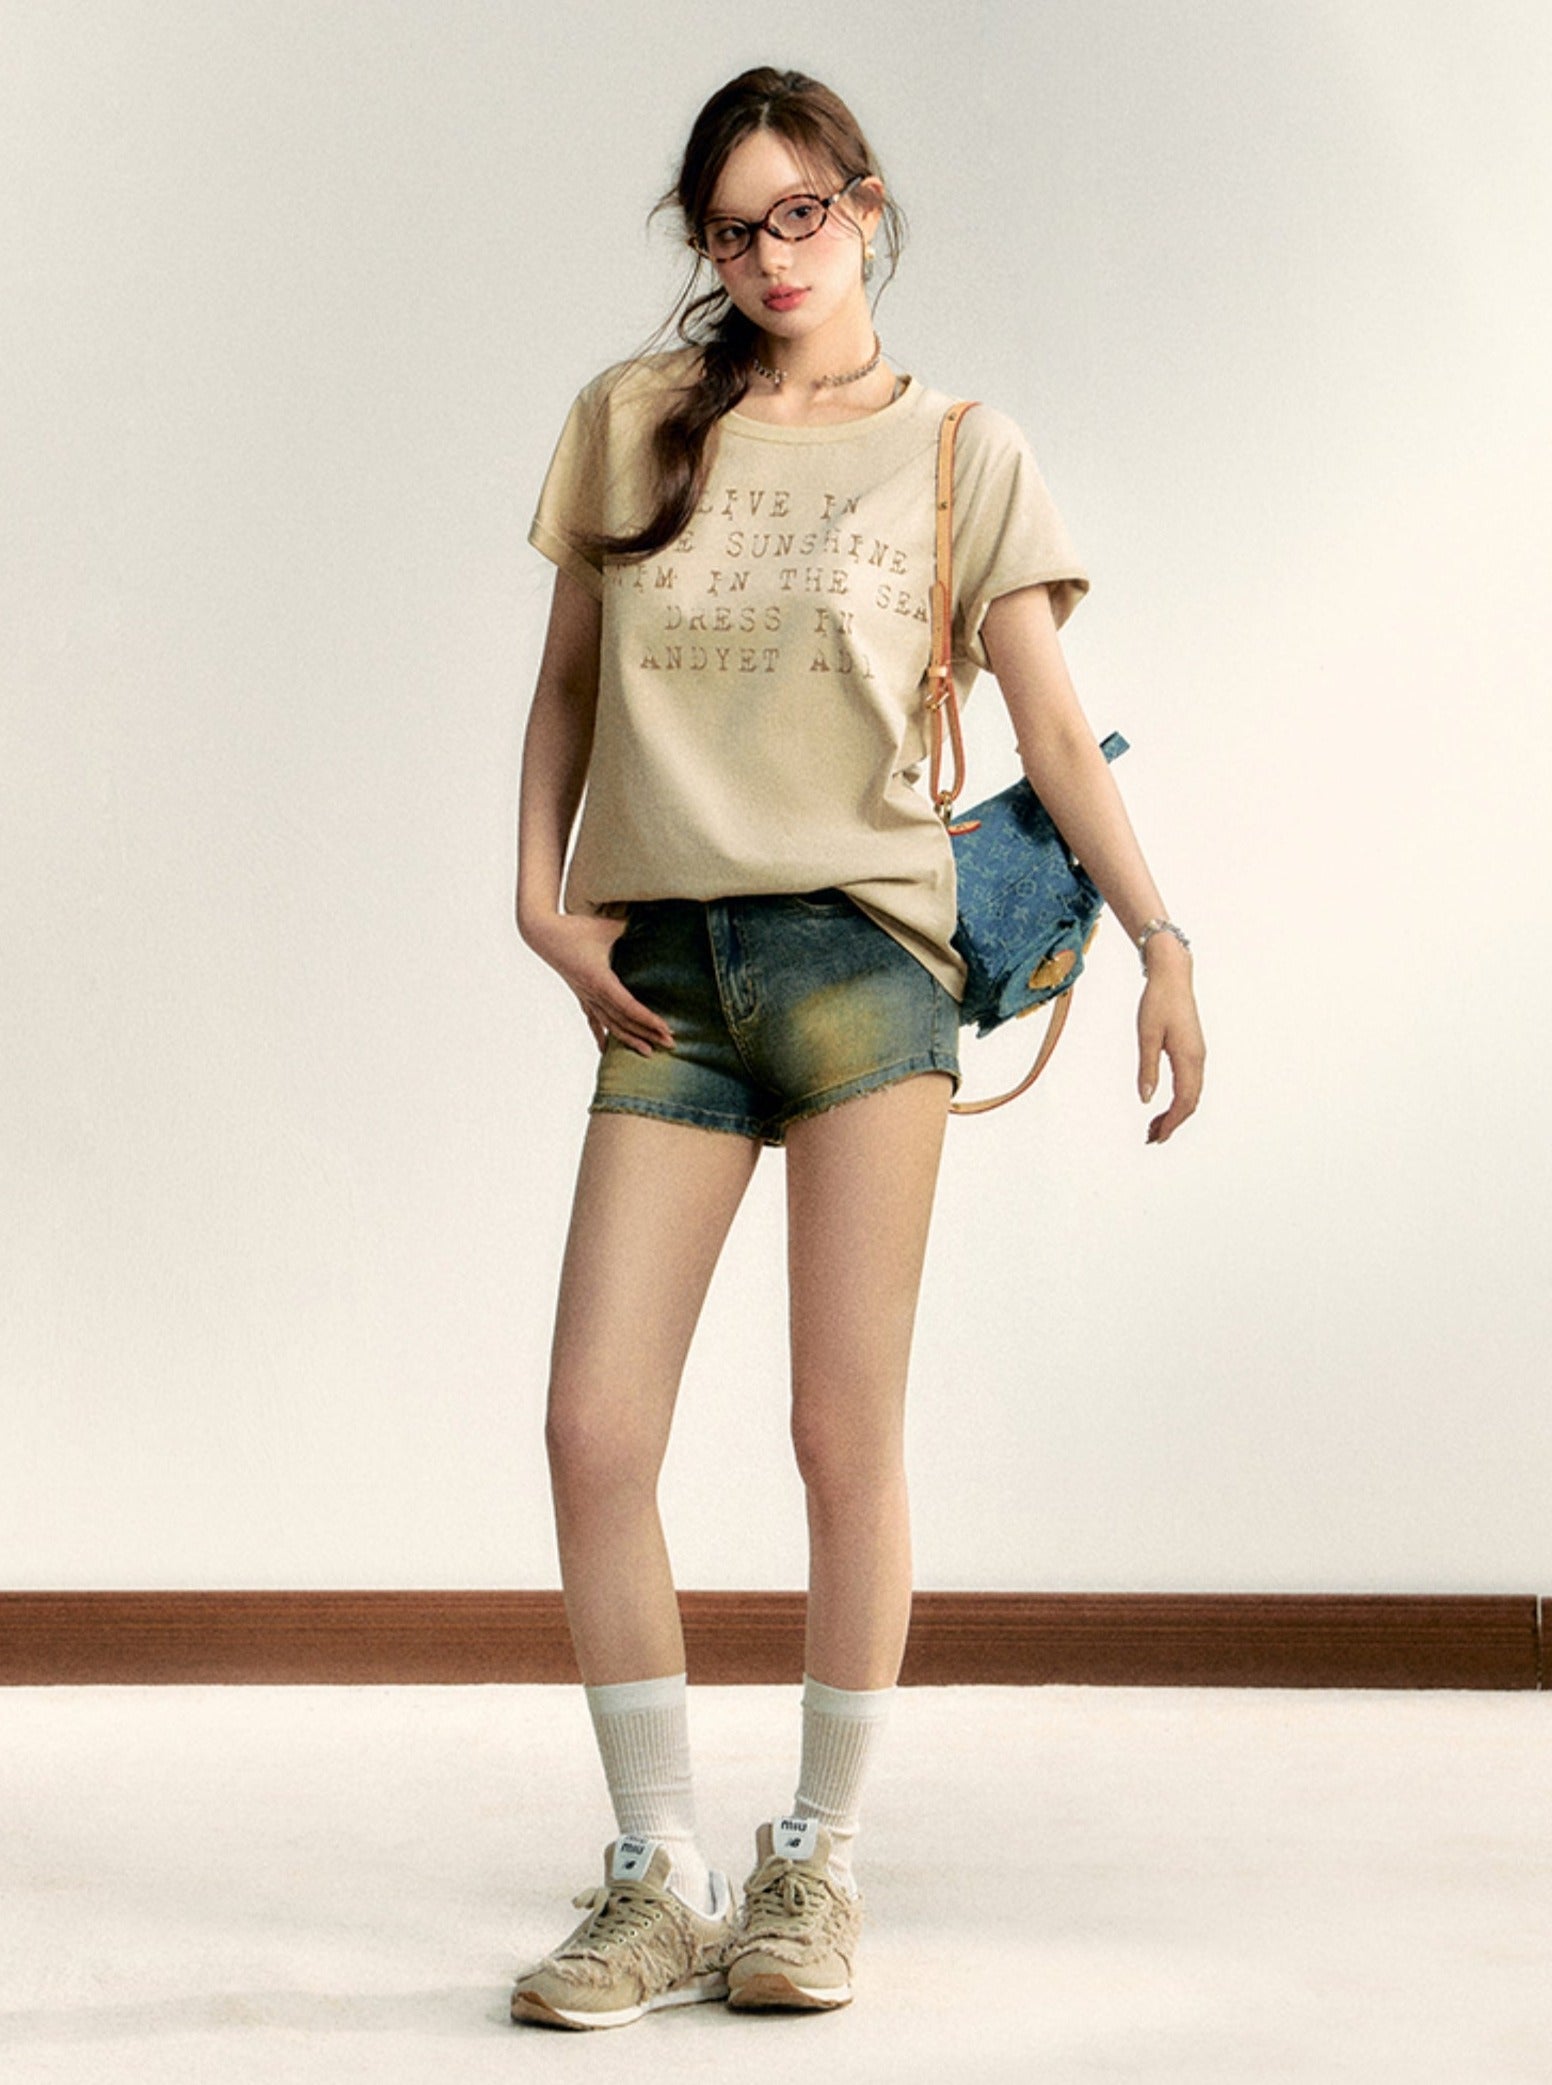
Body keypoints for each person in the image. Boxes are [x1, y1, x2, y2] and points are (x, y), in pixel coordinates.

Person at [508, 65, 1205, 2031]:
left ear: (867, 205)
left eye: (800, 213)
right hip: (667, 968)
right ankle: (656, 1872)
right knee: (592, 1428)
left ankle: (812, 1857)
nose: (771, 255)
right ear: (705, 242)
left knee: (840, 1430)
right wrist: (539, 897)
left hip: (863, 967)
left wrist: (1161, 938)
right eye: (734, 228)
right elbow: (564, 689)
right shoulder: (632, 419)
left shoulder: (958, 451)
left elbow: (1049, 728)